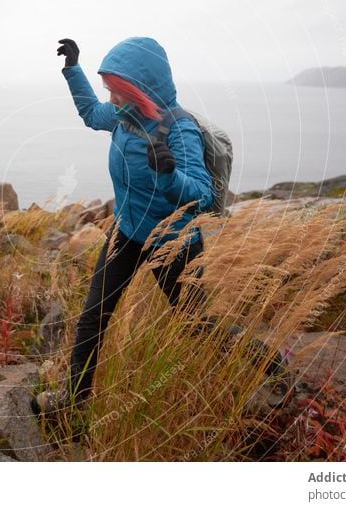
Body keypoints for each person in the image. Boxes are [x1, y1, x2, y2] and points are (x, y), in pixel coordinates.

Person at [31, 37, 215, 415]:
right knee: (93, 316)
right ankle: (74, 401)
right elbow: (90, 113)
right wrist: (73, 70)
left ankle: (268, 363)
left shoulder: (181, 130)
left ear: (138, 89)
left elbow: (203, 195)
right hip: (126, 232)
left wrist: (169, 177)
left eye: (117, 91)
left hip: (173, 243)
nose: (111, 99)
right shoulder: (123, 116)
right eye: (110, 91)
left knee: (197, 325)